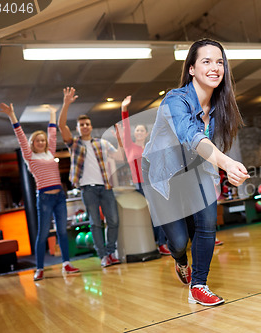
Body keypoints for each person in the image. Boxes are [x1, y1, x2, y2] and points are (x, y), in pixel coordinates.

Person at [142, 38, 249, 306]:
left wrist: (223, 167)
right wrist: (227, 164)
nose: (215, 68)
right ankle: (180, 260)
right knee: (178, 242)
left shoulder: (218, 107)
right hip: (163, 173)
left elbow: (208, 146)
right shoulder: (174, 100)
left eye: (220, 62)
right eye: (206, 61)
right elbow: (189, 135)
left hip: (196, 170)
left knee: (206, 224)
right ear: (191, 69)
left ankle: (199, 284)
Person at [0, 103, 80, 281]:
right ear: (33, 144)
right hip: (44, 198)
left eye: (43, 140)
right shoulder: (30, 157)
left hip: (59, 196)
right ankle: (40, 268)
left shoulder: (51, 153)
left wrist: (52, 114)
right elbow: (20, 136)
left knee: (62, 232)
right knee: (42, 234)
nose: (42, 142)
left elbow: (52, 133)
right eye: (38, 140)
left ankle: (67, 263)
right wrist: (12, 115)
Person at [58, 87, 123, 268]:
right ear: (78, 128)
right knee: (95, 223)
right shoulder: (74, 144)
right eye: (82, 125)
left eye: (87, 124)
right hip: (88, 189)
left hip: (106, 187)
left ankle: (110, 253)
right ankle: (103, 256)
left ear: (91, 126)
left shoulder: (101, 143)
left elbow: (119, 157)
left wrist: (119, 139)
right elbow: (61, 126)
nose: (85, 126)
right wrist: (66, 104)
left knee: (113, 221)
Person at [119, 96, 170, 255]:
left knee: (161, 213)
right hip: (140, 184)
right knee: (150, 215)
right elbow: (125, 129)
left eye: (142, 130)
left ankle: (162, 244)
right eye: (137, 130)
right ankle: (154, 243)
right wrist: (124, 110)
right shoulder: (130, 146)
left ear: (146, 133)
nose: (139, 132)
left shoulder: (150, 147)